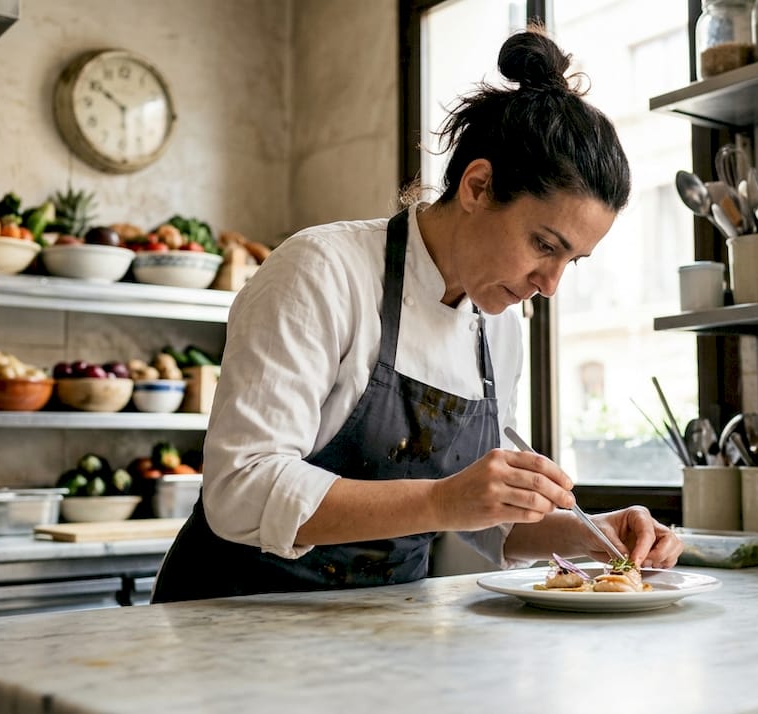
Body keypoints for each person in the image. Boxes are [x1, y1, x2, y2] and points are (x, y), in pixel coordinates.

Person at [151, 26, 682, 603]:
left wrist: (592, 533)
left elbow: (487, 519)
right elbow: (240, 489)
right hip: (232, 617)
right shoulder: (322, 271)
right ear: (478, 186)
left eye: (570, 261)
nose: (549, 285)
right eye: (543, 245)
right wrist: (441, 500)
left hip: (379, 626)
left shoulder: (499, 327)